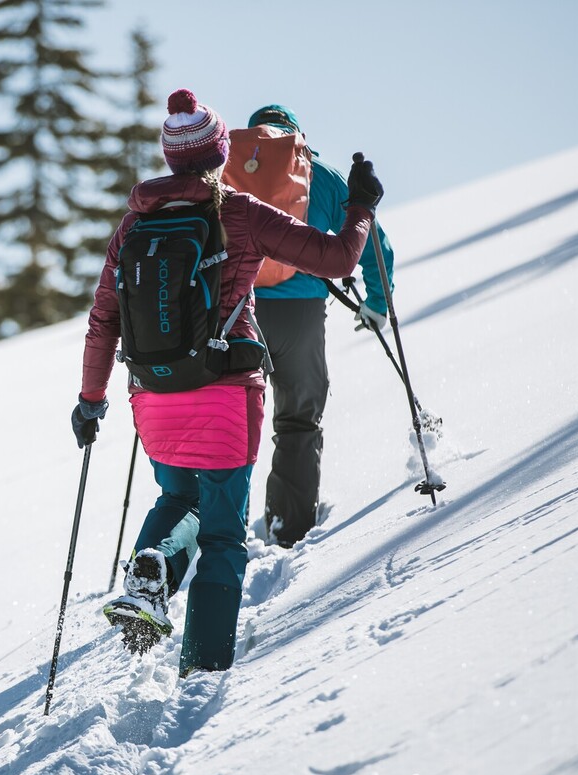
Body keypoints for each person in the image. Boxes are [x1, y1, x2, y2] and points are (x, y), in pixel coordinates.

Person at [71, 89, 384, 676]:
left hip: (153, 397)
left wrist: (91, 401)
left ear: (169, 158)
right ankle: (202, 669)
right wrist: (361, 205)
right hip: (224, 392)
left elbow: (103, 318)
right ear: (221, 152)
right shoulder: (240, 212)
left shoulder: (136, 220)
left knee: (178, 496)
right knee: (221, 533)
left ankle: (152, 566)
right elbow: (340, 259)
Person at [245, 104, 396, 548]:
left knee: (227, 421)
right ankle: (287, 529)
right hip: (301, 317)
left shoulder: (232, 175)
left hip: (239, 313)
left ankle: (218, 531)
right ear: (297, 136)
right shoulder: (322, 175)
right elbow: (371, 240)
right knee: (297, 420)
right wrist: (376, 303)